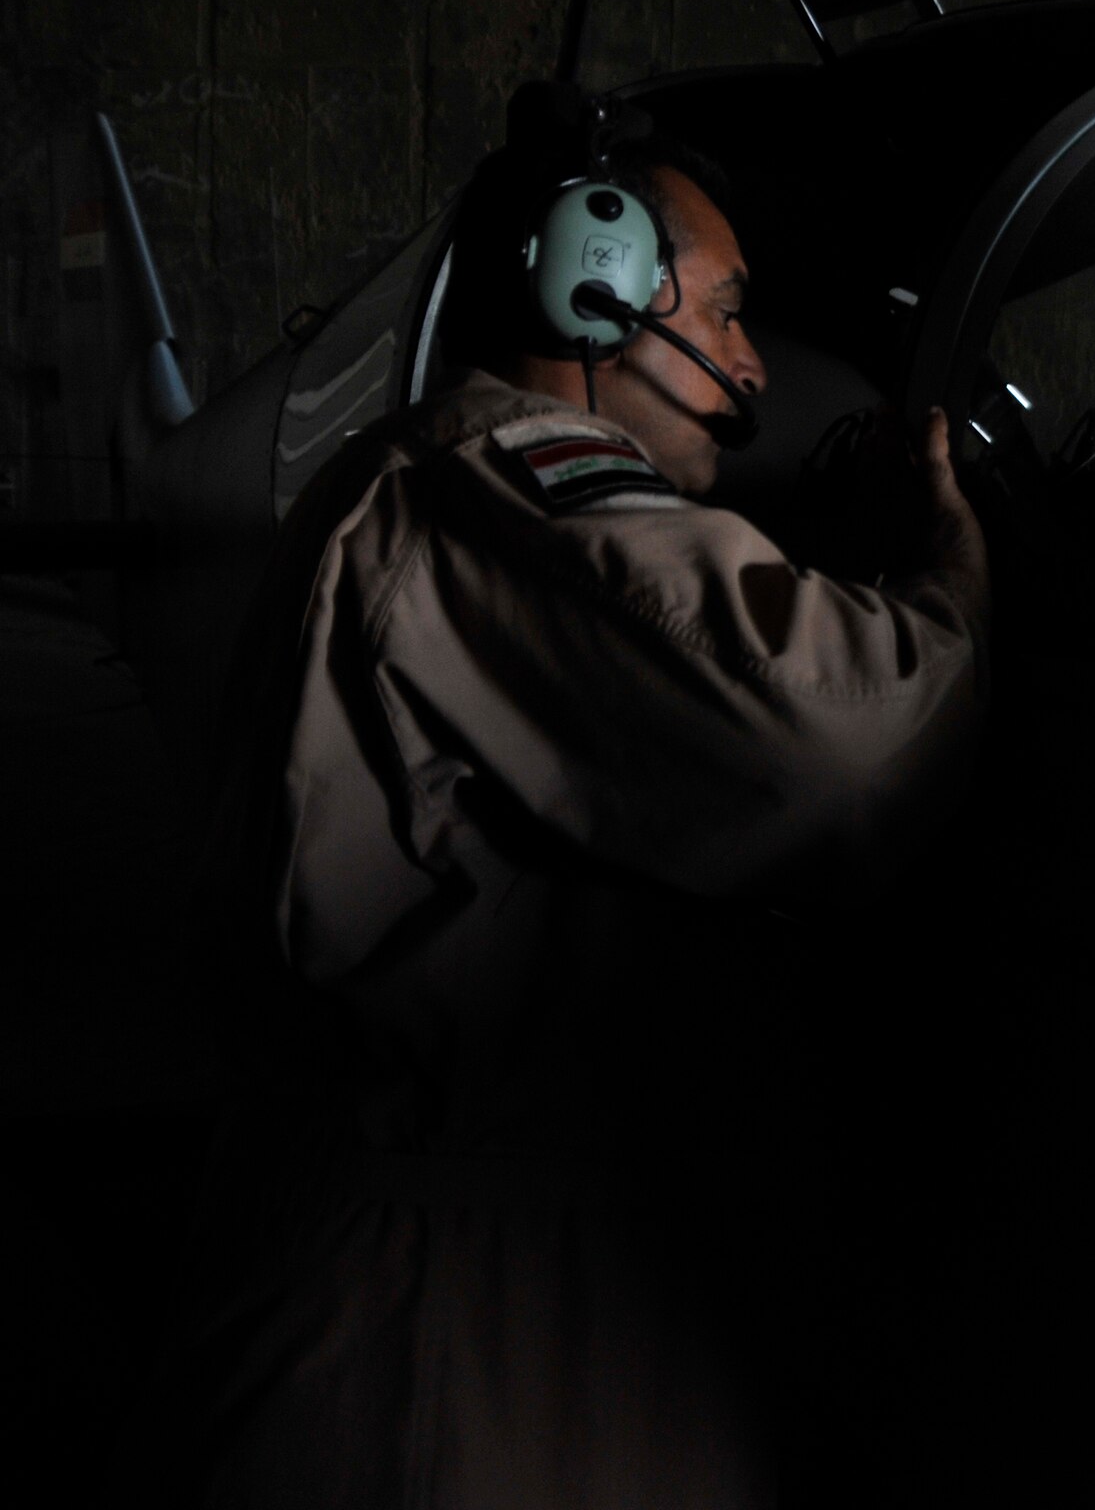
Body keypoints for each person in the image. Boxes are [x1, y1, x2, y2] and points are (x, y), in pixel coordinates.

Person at [129, 86, 989, 1508]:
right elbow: (844, 750)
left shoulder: (447, 483)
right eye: (719, 313)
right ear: (594, 293)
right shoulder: (508, 489)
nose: (753, 368)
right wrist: (955, 576)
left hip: (449, 1300)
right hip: (457, 1342)